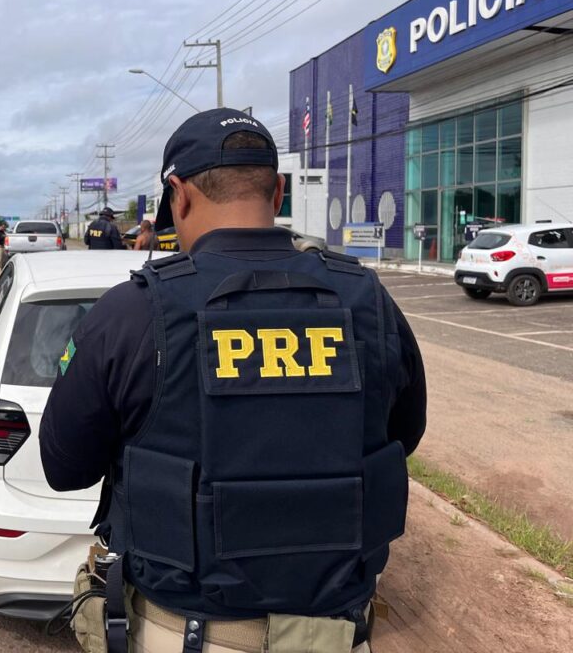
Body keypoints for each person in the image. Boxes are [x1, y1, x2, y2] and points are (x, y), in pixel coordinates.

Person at [40, 108, 425, 653]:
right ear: (278, 193)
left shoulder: (132, 312)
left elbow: (63, 468)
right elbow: (404, 435)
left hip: (185, 633)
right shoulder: (366, 300)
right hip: (335, 635)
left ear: (180, 195)